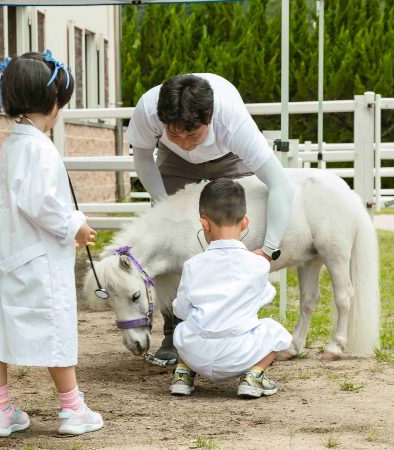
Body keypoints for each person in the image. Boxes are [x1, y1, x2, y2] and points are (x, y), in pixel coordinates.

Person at [126, 73, 294, 361]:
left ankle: (238, 327)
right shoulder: (148, 108)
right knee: (167, 241)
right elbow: (142, 157)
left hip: (228, 157)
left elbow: (281, 184)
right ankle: (173, 330)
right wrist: (162, 205)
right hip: (173, 160)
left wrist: (268, 250)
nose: (186, 141)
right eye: (174, 131)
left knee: (229, 231)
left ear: (210, 119)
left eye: (193, 134)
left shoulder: (232, 120)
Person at [0, 51, 103, 437]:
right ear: (53, 104)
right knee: (56, 330)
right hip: (40, 260)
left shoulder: (14, 145)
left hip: (10, 257)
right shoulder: (41, 149)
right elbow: (42, 203)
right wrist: (75, 226)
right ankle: (72, 410)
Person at [169, 179, 292, 397]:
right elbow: (264, 297)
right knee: (274, 330)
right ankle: (253, 376)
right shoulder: (259, 264)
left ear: (204, 224)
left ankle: (182, 374)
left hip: (196, 354)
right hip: (239, 356)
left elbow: (180, 309)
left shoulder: (192, 265)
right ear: (245, 223)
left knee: (185, 323)